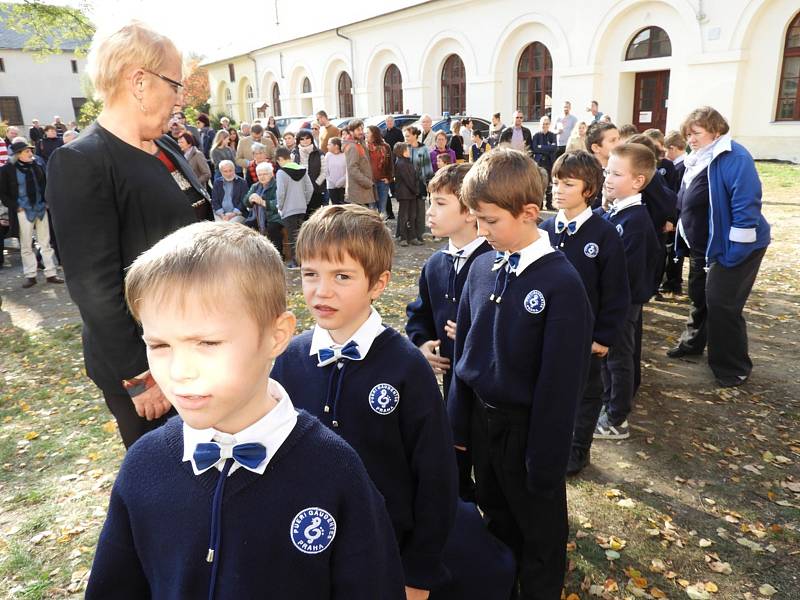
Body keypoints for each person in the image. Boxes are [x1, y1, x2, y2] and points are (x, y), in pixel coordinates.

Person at [86, 221, 406, 599]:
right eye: (159, 345)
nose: (178, 372)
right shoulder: (144, 465)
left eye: (207, 342)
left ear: (277, 336)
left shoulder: (335, 471)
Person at [272, 205, 515, 600]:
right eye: (310, 274)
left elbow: (436, 477)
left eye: (342, 277)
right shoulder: (288, 361)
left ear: (378, 283)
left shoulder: (405, 367)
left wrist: (420, 571)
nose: (321, 290)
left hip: (388, 550)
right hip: (310, 549)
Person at [46, 21, 204, 449]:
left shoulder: (164, 147)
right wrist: (139, 375)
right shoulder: (82, 162)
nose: (179, 98)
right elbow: (93, 287)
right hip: (149, 364)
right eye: (174, 84)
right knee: (169, 482)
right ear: (139, 82)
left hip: (191, 346)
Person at [448, 147, 594, 600]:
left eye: (490, 221)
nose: (482, 230)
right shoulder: (482, 269)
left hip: (529, 432)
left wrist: (545, 462)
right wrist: (456, 426)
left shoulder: (562, 286)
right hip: (482, 423)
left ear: (529, 212)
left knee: (539, 535)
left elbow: (560, 387)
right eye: (476, 220)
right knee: (492, 517)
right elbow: (464, 356)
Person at [666, 107, 770, 388]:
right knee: (700, 295)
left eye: (697, 133)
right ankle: (693, 343)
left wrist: (735, 250)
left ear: (716, 130)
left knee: (723, 303)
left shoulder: (734, 157)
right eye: (688, 134)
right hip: (704, 246)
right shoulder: (697, 158)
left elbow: (745, 205)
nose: (691, 139)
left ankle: (733, 367)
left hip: (734, 247)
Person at [540, 151, 630, 475]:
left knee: (586, 394)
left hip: (585, 338)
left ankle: (578, 449)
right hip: (545, 333)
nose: (558, 190)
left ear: (589, 189)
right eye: (555, 182)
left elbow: (617, 292)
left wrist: (604, 336)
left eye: (568, 183)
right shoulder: (544, 230)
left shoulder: (604, 235)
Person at [405, 163, 492, 490]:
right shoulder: (436, 264)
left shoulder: (492, 262)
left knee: (488, 462)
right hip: (450, 384)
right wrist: (422, 342)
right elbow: (421, 313)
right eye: (430, 202)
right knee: (453, 459)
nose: (430, 212)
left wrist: (473, 334)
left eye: (441, 204)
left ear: (470, 212)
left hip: (487, 390)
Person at [593, 143, 661, 440]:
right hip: (609, 304)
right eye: (607, 171)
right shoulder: (615, 213)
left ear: (638, 181)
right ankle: (607, 404)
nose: (607, 178)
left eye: (617, 174)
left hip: (622, 305)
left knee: (619, 359)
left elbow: (629, 275)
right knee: (606, 358)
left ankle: (617, 418)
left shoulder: (634, 222)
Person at [0, 140, 63, 288]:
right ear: (18, 154)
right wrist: (16, 206)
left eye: (30, 150)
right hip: (22, 211)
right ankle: (31, 275)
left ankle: (51, 273)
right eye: (26, 151)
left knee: (45, 242)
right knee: (26, 245)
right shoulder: (6, 170)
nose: (30, 153)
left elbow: (45, 184)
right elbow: (2, 192)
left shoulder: (37, 166)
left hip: (40, 209)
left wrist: (46, 201)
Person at [659, 129, 688, 295]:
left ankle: (673, 281)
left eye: (665, 150)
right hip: (677, 214)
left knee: (675, 250)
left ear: (673, 148)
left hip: (677, 215)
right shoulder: (680, 165)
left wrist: (674, 218)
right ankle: (673, 279)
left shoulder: (680, 167)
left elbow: (676, 194)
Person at [275, 146, 313, 268]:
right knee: (300, 234)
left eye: (278, 161)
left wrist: (280, 207)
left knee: (292, 235)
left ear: (280, 159)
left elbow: (280, 193)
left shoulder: (281, 172)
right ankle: (303, 259)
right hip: (301, 207)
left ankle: (295, 262)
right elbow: (310, 188)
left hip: (288, 208)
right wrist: (305, 202)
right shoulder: (302, 169)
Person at [243, 161, 283, 256]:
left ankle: (278, 255)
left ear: (271, 174)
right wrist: (250, 199)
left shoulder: (277, 185)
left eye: (265, 174)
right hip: (257, 216)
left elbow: (278, 203)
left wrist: (262, 202)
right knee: (247, 226)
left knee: (273, 228)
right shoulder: (255, 186)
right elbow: (245, 202)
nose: (262, 177)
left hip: (275, 216)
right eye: (259, 174)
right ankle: (254, 255)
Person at [405, 125, 433, 244]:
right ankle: (409, 235)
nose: (406, 137)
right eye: (405, 135)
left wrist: (429, 181)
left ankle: (419, 235)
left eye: (408, 135)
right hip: (407, 184)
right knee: (409, 211)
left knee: (420, 210)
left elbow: (427, 166)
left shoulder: (423, 149)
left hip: (420, 183)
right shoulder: (404, 147)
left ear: (415, 135)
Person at [585, 122, 621, 208]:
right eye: (613, 140)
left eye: (619, 139)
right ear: (596, 148)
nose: (619, 144)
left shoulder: (624, 171)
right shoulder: (586, 176)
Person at [293, 128, 326, 215]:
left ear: (311, 139)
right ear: (298, 141)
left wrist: (315, 184)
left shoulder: (319, 153)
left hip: (316, 190)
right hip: (299, 190)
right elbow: (291, 171)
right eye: (302, 139)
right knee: (301, 216)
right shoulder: (294, 153)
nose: (305, 141)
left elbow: (324, 171)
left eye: (307, 138)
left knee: (314, 215)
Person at [343, 120, 375, 208]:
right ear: (351, 131)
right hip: (358, 192)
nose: (361, 132)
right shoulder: (352, 146)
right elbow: (352, 169)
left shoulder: (359, 143)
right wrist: (367, 182)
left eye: (362, 129)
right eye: (358, 130)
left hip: (362, 191)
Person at [393, 142, 418, 247]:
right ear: (402, 152)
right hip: (405, 193)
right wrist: (415, 190)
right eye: (407, 149)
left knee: (412, 216)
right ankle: (403, 237)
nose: (409, 151)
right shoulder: (401, 163)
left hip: (410, 193)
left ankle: (411, 236)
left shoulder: (407, 162)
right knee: (404, 216)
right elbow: (408, 179)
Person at [531, 116, 558, 209]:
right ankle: (540, 204)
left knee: (550, 183)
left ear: (549, 125)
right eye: (543, 124)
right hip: (539, 163)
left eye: (547, 124)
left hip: (550, 162)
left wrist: (541, 147)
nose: (545, 125)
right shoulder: (536, 136)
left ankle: (549, 204)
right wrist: (547, 147)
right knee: (540, 184)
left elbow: (554, 148)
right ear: (540, 124)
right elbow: (534, 149)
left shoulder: (553, 135)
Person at [367, 125, 393, 216]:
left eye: (368, 133)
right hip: (370, 182)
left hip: (383, 181)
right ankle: (374, 229)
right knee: (372, 210)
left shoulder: (385, 146)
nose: (366, 135)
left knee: (382, 209)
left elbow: (390, 164)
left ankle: (382, 228)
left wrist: (389, 178)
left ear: (374, 134)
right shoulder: (365, 147)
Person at [325, 137, 346, 205]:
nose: (327, 146)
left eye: (329, 144)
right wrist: (333, 182)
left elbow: (348, 171)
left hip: (343, 186)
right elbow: (325, 171)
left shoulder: (345, 155)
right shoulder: (328, 155)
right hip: (331, 186)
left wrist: (340, 182)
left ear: (336, 145)